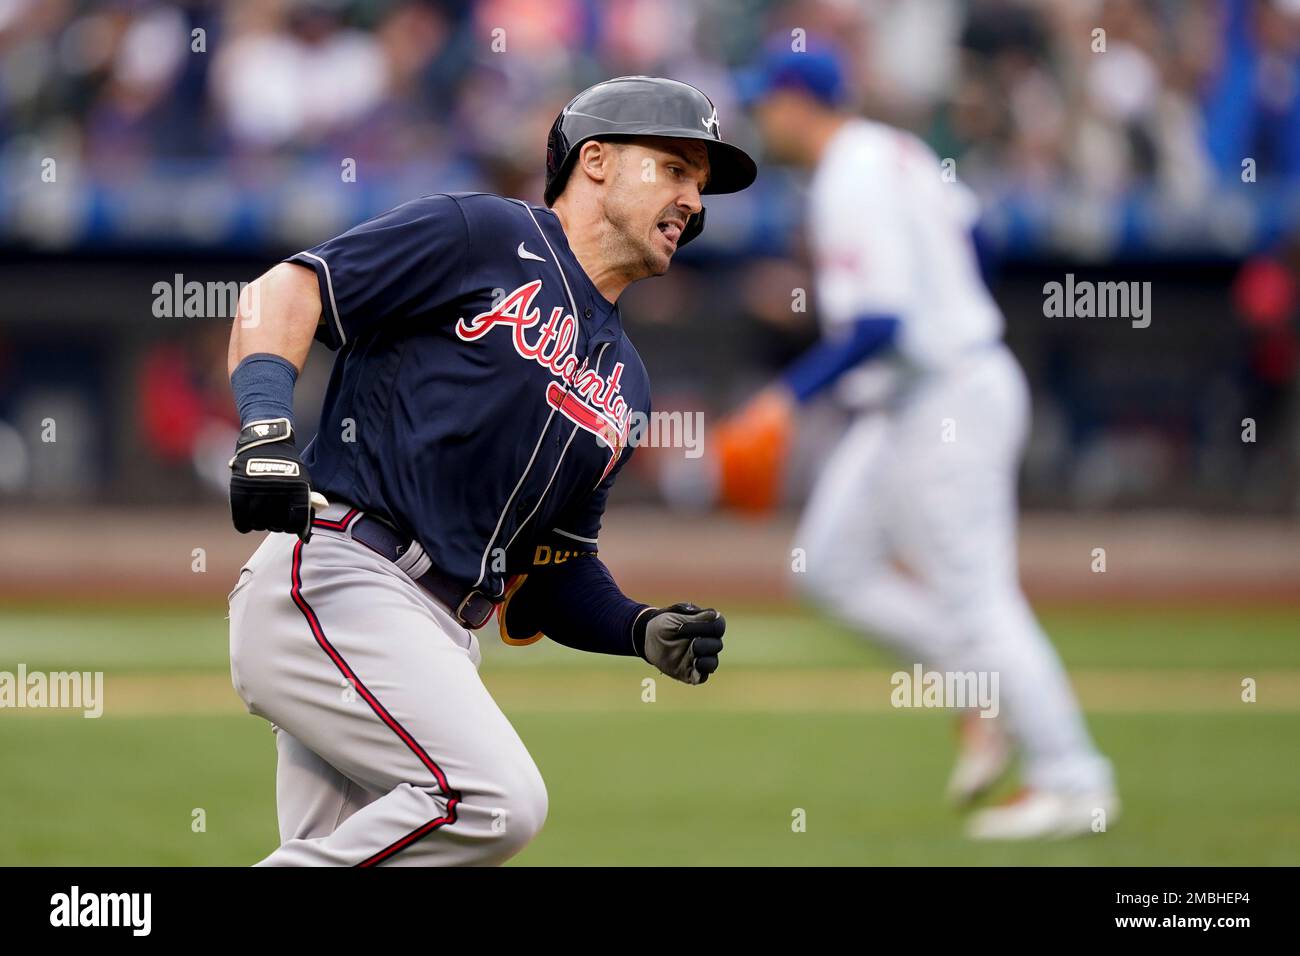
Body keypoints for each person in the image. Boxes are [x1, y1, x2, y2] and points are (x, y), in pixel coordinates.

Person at [224, 76, 754, 865]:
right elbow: (287, 290)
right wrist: (266, 429)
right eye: (676, 168)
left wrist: (637, 628)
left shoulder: (627, 379)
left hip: (437, 631)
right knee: (495, 800)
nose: (694, 201)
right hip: (341, 575)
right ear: (597, 160)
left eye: (701, 186)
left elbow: (552, 572)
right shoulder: (482, 234)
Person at [729, 46, 1118, 839]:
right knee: (831, 567)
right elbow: (981, 239)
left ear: (802, 100)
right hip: (916, 395)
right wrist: (952, 294)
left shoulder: (850, 172)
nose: (762, 117)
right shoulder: (897, 151)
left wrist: (784, 399)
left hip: (946, 397)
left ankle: (1074, 779)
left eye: (767, 101)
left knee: (978, 599)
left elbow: (881, 322)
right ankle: (977, 688)